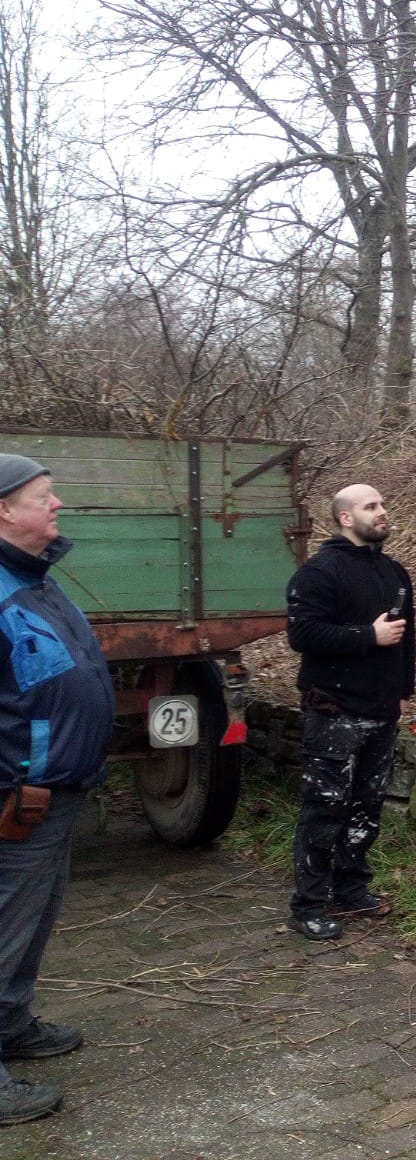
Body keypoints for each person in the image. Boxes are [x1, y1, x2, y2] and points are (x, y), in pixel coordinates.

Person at [0, 455, 114, 1126]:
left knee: (33, 919)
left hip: (55, 789)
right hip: (17, 796)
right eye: (44, 495)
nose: (58, 504)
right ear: (4, 510)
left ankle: (11, 1025)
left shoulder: (34, 580)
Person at [285, 484, 415, 942]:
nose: (382, 512)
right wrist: (367, 636)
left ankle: (350, 888)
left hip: (382, 709)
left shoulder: (394, 572)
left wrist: (403, 690)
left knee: (366, 806)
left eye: (383, 504)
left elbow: (406, 638)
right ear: (345, 518)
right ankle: (308, 905)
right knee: (325, 808)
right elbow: (302, 635)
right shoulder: (319, 573)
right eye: (371, 506)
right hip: (333, 709)